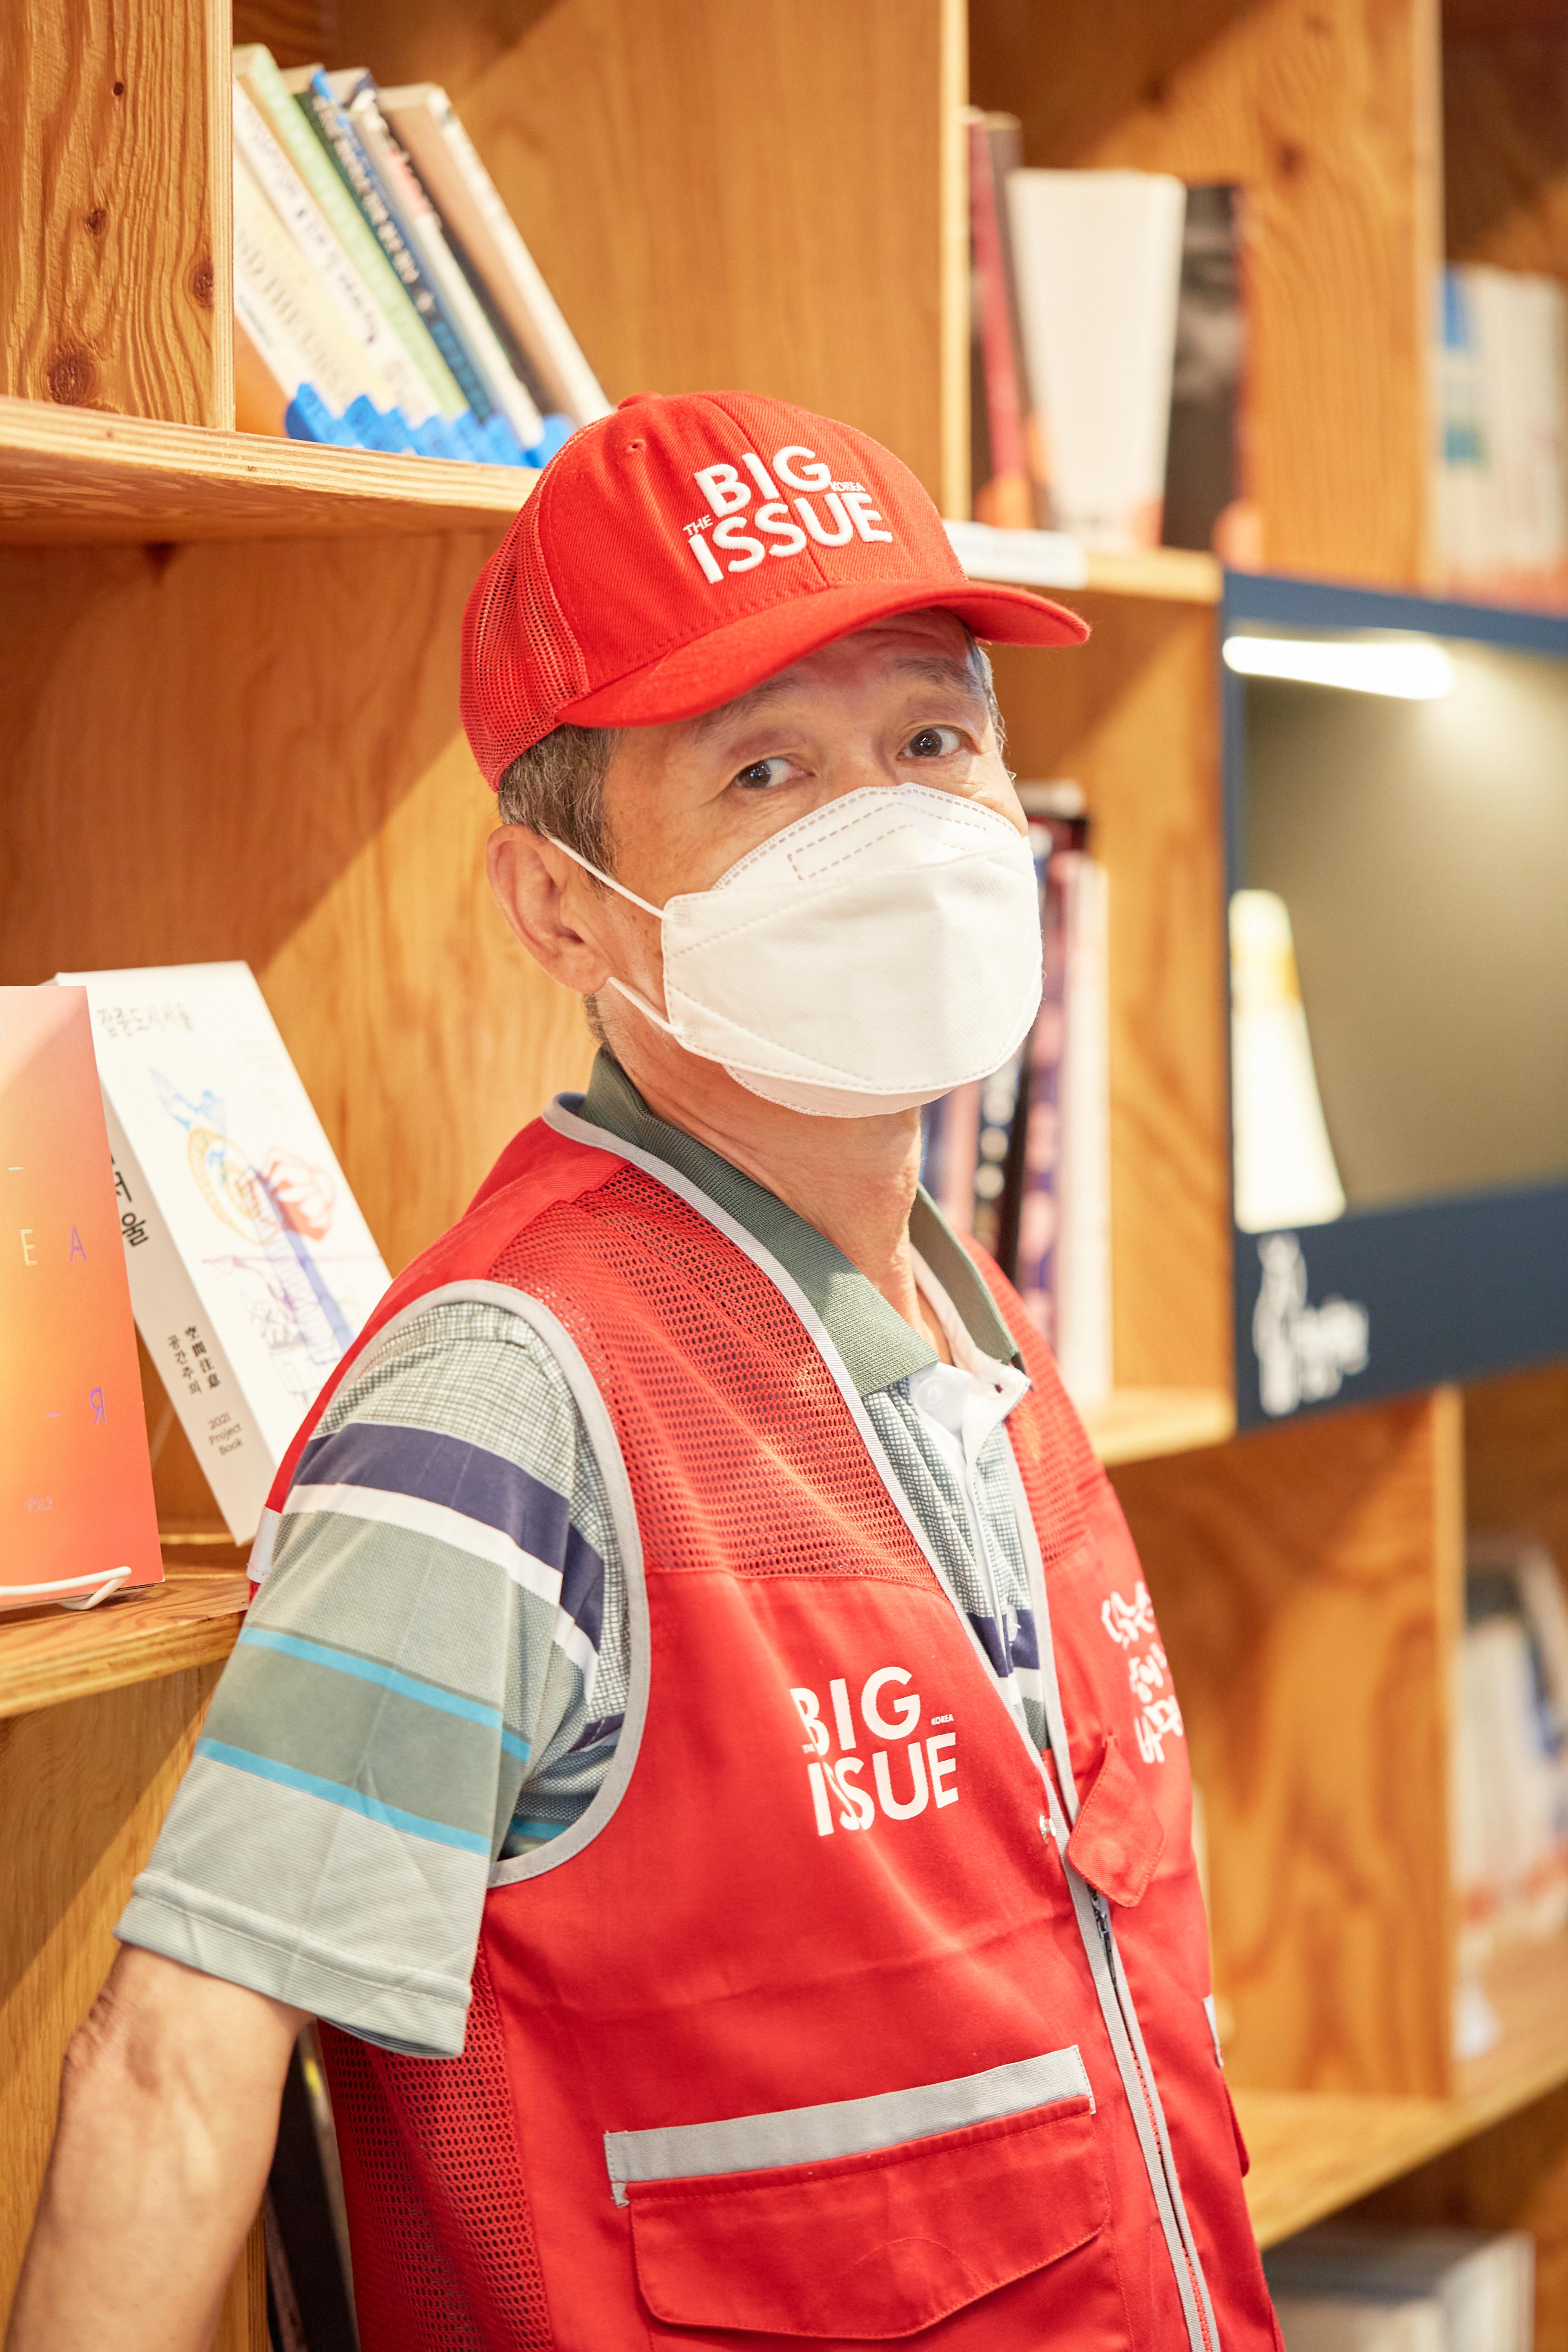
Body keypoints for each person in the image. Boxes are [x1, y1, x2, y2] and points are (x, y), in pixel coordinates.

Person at [8, 392, 1280, 2352]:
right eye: (766, 769)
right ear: (558, 905)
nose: (895, 825)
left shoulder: (969, 1320)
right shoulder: (499, 1405)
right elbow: (183, 2066)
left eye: (933, 738)